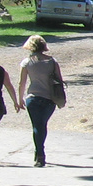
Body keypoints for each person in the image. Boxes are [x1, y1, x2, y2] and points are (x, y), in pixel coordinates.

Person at [18, 35, 63, 167]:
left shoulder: (27, 62)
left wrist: (20, 99)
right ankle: (40, 152)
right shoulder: (52, 62)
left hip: (33, 97)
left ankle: (39, 154)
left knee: (37, 126)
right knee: (42, 125)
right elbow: (59, 80)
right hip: (50, 98)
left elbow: (22, 82)